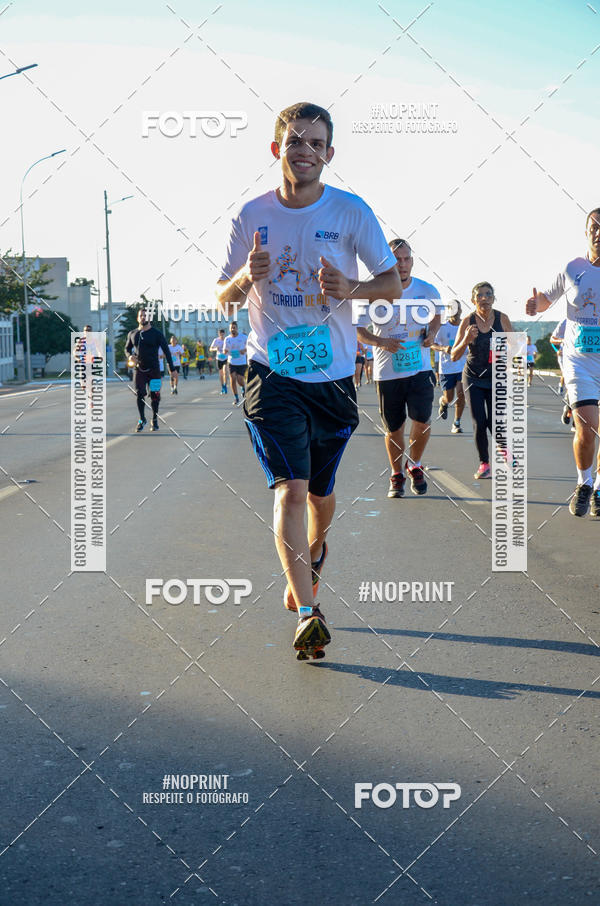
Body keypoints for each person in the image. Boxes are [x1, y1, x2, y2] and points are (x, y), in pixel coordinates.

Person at [216, 101, 401, 657]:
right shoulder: (250, 214)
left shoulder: (351, 211)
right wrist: (247, 274)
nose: (305, 151)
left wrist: (351, 289)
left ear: (330, 154)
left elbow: (390, 282)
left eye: (316, 143)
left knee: (321, 495)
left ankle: (316, 553)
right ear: (277, 149)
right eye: (295, 140)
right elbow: (221, 296)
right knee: (290, 490)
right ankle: (306, 611)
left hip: (334, 376)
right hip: (271, 371)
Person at [526, 207, 600, 517]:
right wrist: (534, 305)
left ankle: (599, 489)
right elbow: (546, 298)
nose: (599, 231)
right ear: (586, 233)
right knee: (586, 426)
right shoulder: (573, 268)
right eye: (593, 227)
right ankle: (584, 483)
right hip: (578, 361)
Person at [358, 238, 441, 498]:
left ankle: (414, 464)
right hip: (388, 371)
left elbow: (438, 315)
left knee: (423, 422)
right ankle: (396, 474)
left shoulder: (426, 290)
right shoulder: (372, 292)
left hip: (420, 368)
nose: (402, 265)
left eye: (406, 259)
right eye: (396, 260)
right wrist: (380, 341)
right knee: (394, 429)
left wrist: (432, 333)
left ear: (412, 261)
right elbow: (359, 332)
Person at [451, 282, 513, 479]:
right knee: (479, 421)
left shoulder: (502, 319)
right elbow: (454, 355)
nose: (484, 298)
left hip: (496, 377)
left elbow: (516, 348)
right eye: (480, 295)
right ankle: (484, 464)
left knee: (495, 420)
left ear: (494, 298)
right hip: (473, 377)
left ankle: (504, 450)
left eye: (488, 294)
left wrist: (506, 352)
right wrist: (466, 340)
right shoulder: (467, 322)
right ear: (473, 300)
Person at [125, 308, 174, 431]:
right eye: (141, 315)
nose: (143, 317)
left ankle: (155, 419)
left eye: (145, 316)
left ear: (149, 318)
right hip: (139, 369)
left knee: (155, 395)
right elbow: (127, 349)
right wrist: (129, 356)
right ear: (138, 318)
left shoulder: (157, 334)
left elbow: (167, 351)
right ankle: (142, 419)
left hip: (154, 370)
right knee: (139, 393)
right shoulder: (132, 334)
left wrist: (172, 369)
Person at [431, 300, 467, 434]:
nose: (455, 312)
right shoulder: (442, 327)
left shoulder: (466, 326)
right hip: (447, 368)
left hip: (462, 366)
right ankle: (444, 402)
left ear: (461, 311)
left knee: (461, 393)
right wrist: (443, 348)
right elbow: (431, 343)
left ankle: (456, 422)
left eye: (457, 309)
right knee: (450, 397)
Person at [550, 318, 572, 425]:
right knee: (572, 385)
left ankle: (569, 407)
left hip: (593, 358)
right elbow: (552, 339)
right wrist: (562, 342)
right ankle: (571, 413)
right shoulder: (567, 320)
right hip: (569, 358)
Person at [223, 321, 248, 405]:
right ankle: (236, 397)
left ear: (237, 328)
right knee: (233, 378)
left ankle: (243, 387)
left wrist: (244, 350)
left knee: (240, 379)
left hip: (242, 362)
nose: (233, 329)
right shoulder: (227, 339)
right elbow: (224, 350)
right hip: (231, 362)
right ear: (229, 329)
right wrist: (225, 351)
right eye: (231, 328)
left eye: (234, 327)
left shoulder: (244, 337)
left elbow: (250, 346)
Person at [210, 328, 228, 393]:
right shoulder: (216, 340)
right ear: (219, 334)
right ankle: (222, 386)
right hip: (219, 358)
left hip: (226, 358)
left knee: (225, 371)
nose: (222, 335)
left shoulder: (227, 340)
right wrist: (215, 348)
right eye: (220, 334)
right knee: (221, 374)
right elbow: (211, 349)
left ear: (224, 334)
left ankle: (225, 385)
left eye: (223, 334)